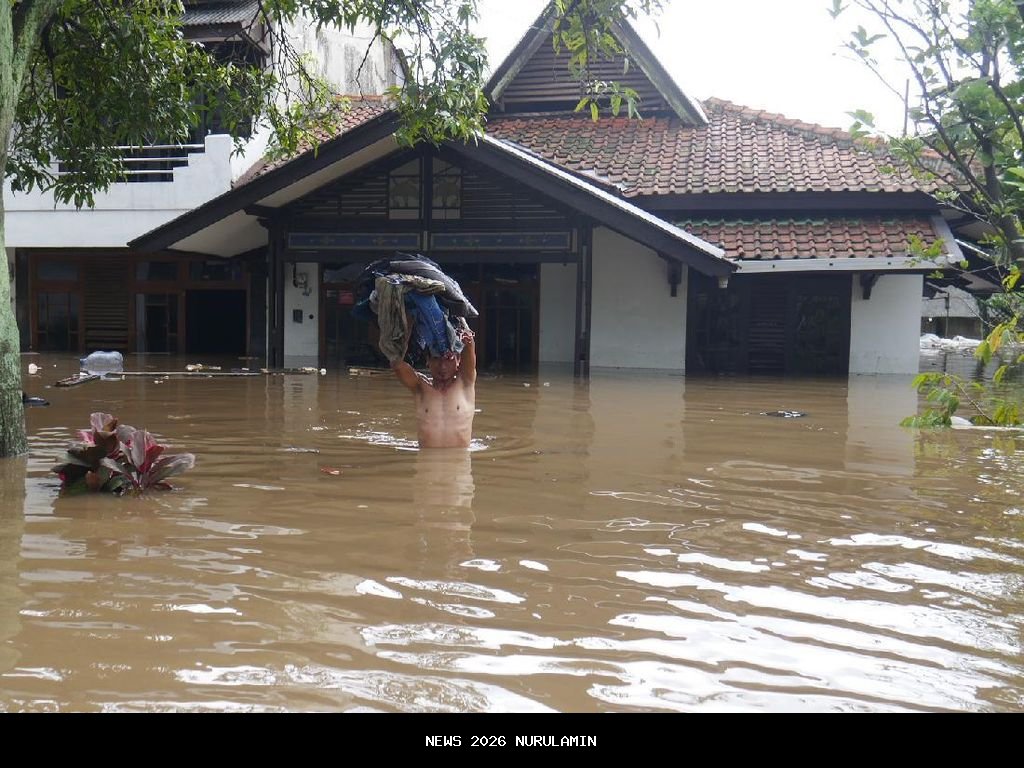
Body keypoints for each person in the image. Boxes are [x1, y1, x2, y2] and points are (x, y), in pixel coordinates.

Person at [391, 322, 476, 448]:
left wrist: (463, 330)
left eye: (448, 359)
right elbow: (397, 364)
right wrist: (409, 321)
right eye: (436, 358)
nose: (442, 366)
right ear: (428, 361)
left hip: (458, 464)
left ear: (458, 360)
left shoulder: (464, 383)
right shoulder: (420, 387)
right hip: (426, 465)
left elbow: (469, 346)